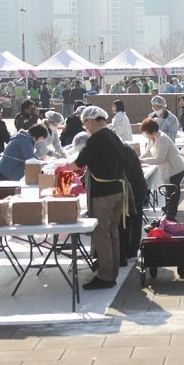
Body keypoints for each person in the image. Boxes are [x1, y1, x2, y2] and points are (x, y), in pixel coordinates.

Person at [66, 106, 128, 290]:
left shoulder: (97, 139)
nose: (85, 127)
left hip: (104, 193)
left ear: (91, 121)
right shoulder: (113, 136)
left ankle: (106, 275)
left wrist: (63, 167)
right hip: (118, 189)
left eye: (85, 123)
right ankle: (111, 271)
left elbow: (78, 163)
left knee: (101, 234)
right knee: (112, 233)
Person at [140, 117, 184, 218]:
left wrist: (143, 161)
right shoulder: (153, 138)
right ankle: (168, 209)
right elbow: (148, 151)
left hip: (175, 169)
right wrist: (140, 158)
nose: (145, 135)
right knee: (168, 190)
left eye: (145, 132)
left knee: (173, 191)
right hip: (168, 169)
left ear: (150, 131)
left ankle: (171, 214)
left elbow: (159, 159)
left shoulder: (162, 139)